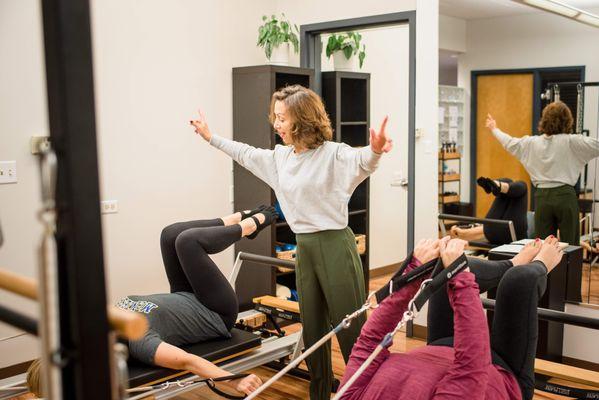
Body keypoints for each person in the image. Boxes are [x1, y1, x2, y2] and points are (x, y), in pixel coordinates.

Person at [190, 84, 393, 399]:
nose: (276, 124)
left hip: (336, 245)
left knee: (351, 328)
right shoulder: (280, 158)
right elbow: (245, 153)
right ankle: (320, 392)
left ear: (303, 118)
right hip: (305, 248)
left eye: (282, 118)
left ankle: (366, 392)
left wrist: (377, 149)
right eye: (275, 117)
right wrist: (210, 137)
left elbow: (363, 161)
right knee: (312, 331)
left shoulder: (334, 154)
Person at [26, 207, 277, 398]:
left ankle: (234, 219)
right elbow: (188, 361)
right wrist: (234, 380)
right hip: (214, 311)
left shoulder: (99, 324)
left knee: (169, 235)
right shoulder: (138, 342)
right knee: (188, 242)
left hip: (184, 294)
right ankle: (252, 224)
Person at [339, 235, 563, 400]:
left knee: (446, 271)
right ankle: (539, 263)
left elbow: (370, 341)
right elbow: (472, 367)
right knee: (520, 281)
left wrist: (415, 271)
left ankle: (512, 263)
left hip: (437, 348)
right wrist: (461, 278)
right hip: (499, 372)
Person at [487, 102, 599, 245]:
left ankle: (544, 268)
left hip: (542, 198)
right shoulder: (573, 141)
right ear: (568, 120)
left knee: (543, 247)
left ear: (544, 120)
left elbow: (508, 142)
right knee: (570, 246)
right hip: (565, 197)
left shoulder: (531, 143)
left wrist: (494, 129)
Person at [451, 177, 528, 245]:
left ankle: (496, 185)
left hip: (491, 232)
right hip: (512, 235)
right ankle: (497, 185)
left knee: (508, 183)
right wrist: (464, 233)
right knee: (522, 186)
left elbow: (483, 229)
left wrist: (464, 233)